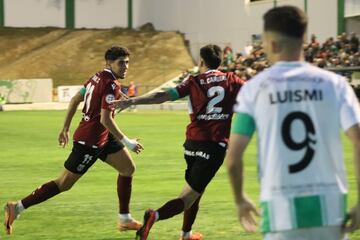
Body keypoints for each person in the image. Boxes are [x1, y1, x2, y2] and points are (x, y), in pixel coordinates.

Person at [227, 6, 360, 240]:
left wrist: (240, 199)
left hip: (280, 214)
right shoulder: (335, 84)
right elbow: (358, 140)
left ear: (271, 43)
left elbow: (233, 158)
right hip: (330, 213)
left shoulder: (255, 89)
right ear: (305, 39)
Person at [4, 46, 144, 235]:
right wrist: (128, 142)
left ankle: (124, 219)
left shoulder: (97, 77)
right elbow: (105, 119)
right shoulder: (111, 84)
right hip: (90, 141)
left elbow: (75, 99)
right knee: (63, 183)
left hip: (102, 136)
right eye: (121, 63)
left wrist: (65, 128)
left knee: (128, 168)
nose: (125, 67)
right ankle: (17, 207)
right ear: (108, 63)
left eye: (127, 62)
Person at [111, 44, 245, 240]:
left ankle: (186, 234)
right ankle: (154, 216)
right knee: (188, 196)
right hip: (213, 146)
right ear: (221, 62)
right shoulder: (232, 80)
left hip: (191, 145)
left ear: (201, 62)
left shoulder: (193, 81)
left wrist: (132, 101)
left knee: (196, 190)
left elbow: (162, 96)